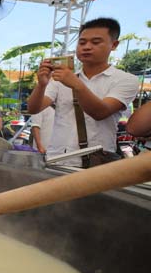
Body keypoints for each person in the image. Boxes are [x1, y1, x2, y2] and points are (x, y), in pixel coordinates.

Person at [27, 17, 139, 166]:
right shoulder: (61, 77)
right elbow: (33, 108)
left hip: (96, 163)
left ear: (114, 44)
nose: (86, 47)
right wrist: (41, 85)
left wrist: (76, 84)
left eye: (96, 42)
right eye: (82, 42)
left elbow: (100, 112)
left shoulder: (126, 80)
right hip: (57, 159)